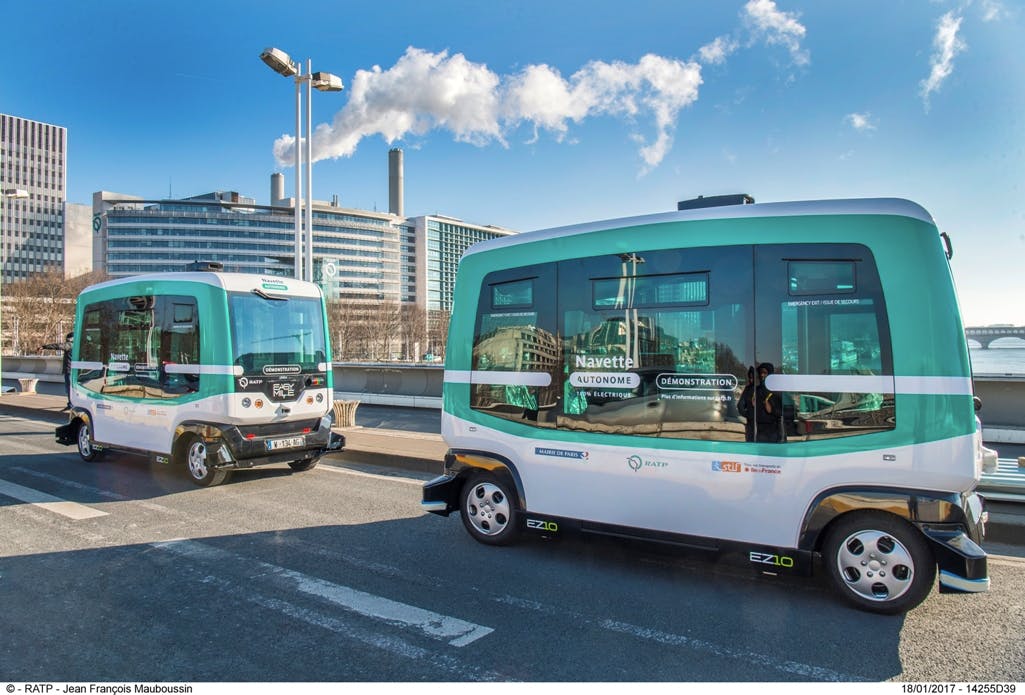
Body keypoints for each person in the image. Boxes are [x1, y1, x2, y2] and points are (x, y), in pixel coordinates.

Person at [738, 362, 783, 443]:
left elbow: (785, 412)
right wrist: (751, 414)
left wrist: (772, 410)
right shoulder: (754, 390)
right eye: (760, 373)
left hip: (772, 432)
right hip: (756, 431)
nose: (762, 375)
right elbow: (741, 407)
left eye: (765, 373)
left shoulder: (777, 391)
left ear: (770, 374)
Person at [41, 332, 73, 410]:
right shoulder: (79, 345)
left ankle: (71, 404)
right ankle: (72, 404)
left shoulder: (69, 345)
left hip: (69, 370)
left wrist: (45, 347)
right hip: (76, 370)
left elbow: (58, 346)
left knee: (69, 388)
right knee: (72, 388)